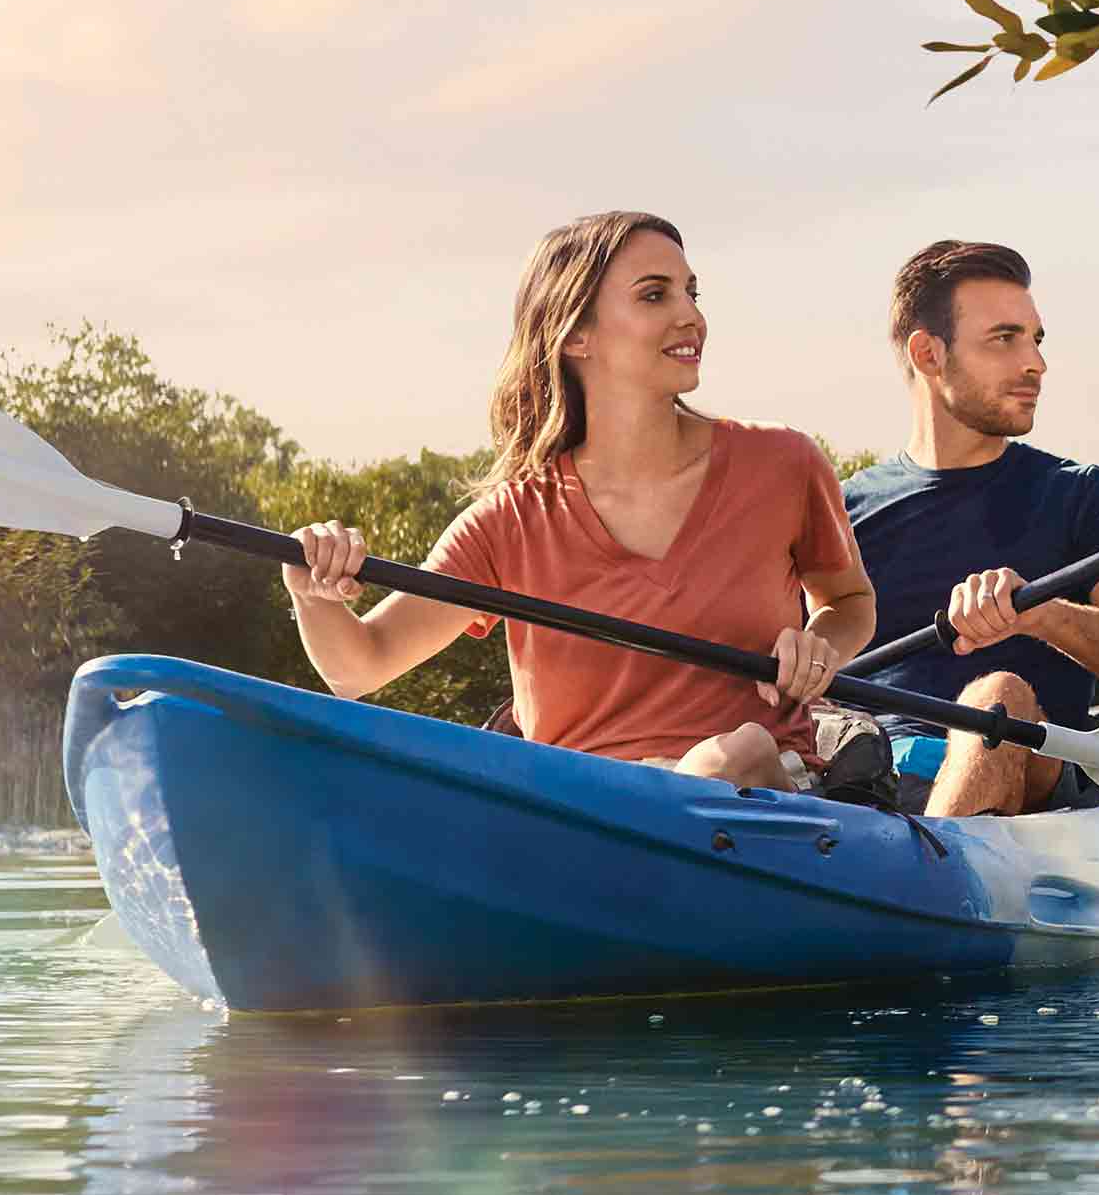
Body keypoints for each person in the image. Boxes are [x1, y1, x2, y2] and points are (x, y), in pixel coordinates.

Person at [285, 210, 873, 792]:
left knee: (734, 755)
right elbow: (361, 664)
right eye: (654, 296)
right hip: (583, 815)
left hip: (761, 799)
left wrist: (819, 645)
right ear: (575, 335)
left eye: (691, 293)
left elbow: (849, 601)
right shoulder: (507, 522)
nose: (690, 316)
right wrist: (312, 594)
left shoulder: (782, 462)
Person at [824, 239, 1099, 817]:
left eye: (1036, 340)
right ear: (928, 354)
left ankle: (930, 880)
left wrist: (1039, 614)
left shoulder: (1080, 495)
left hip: (1028, 774)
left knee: (996, 699)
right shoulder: (839, 510)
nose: (1035, 364)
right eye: (1005, 339)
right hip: (870, 781)